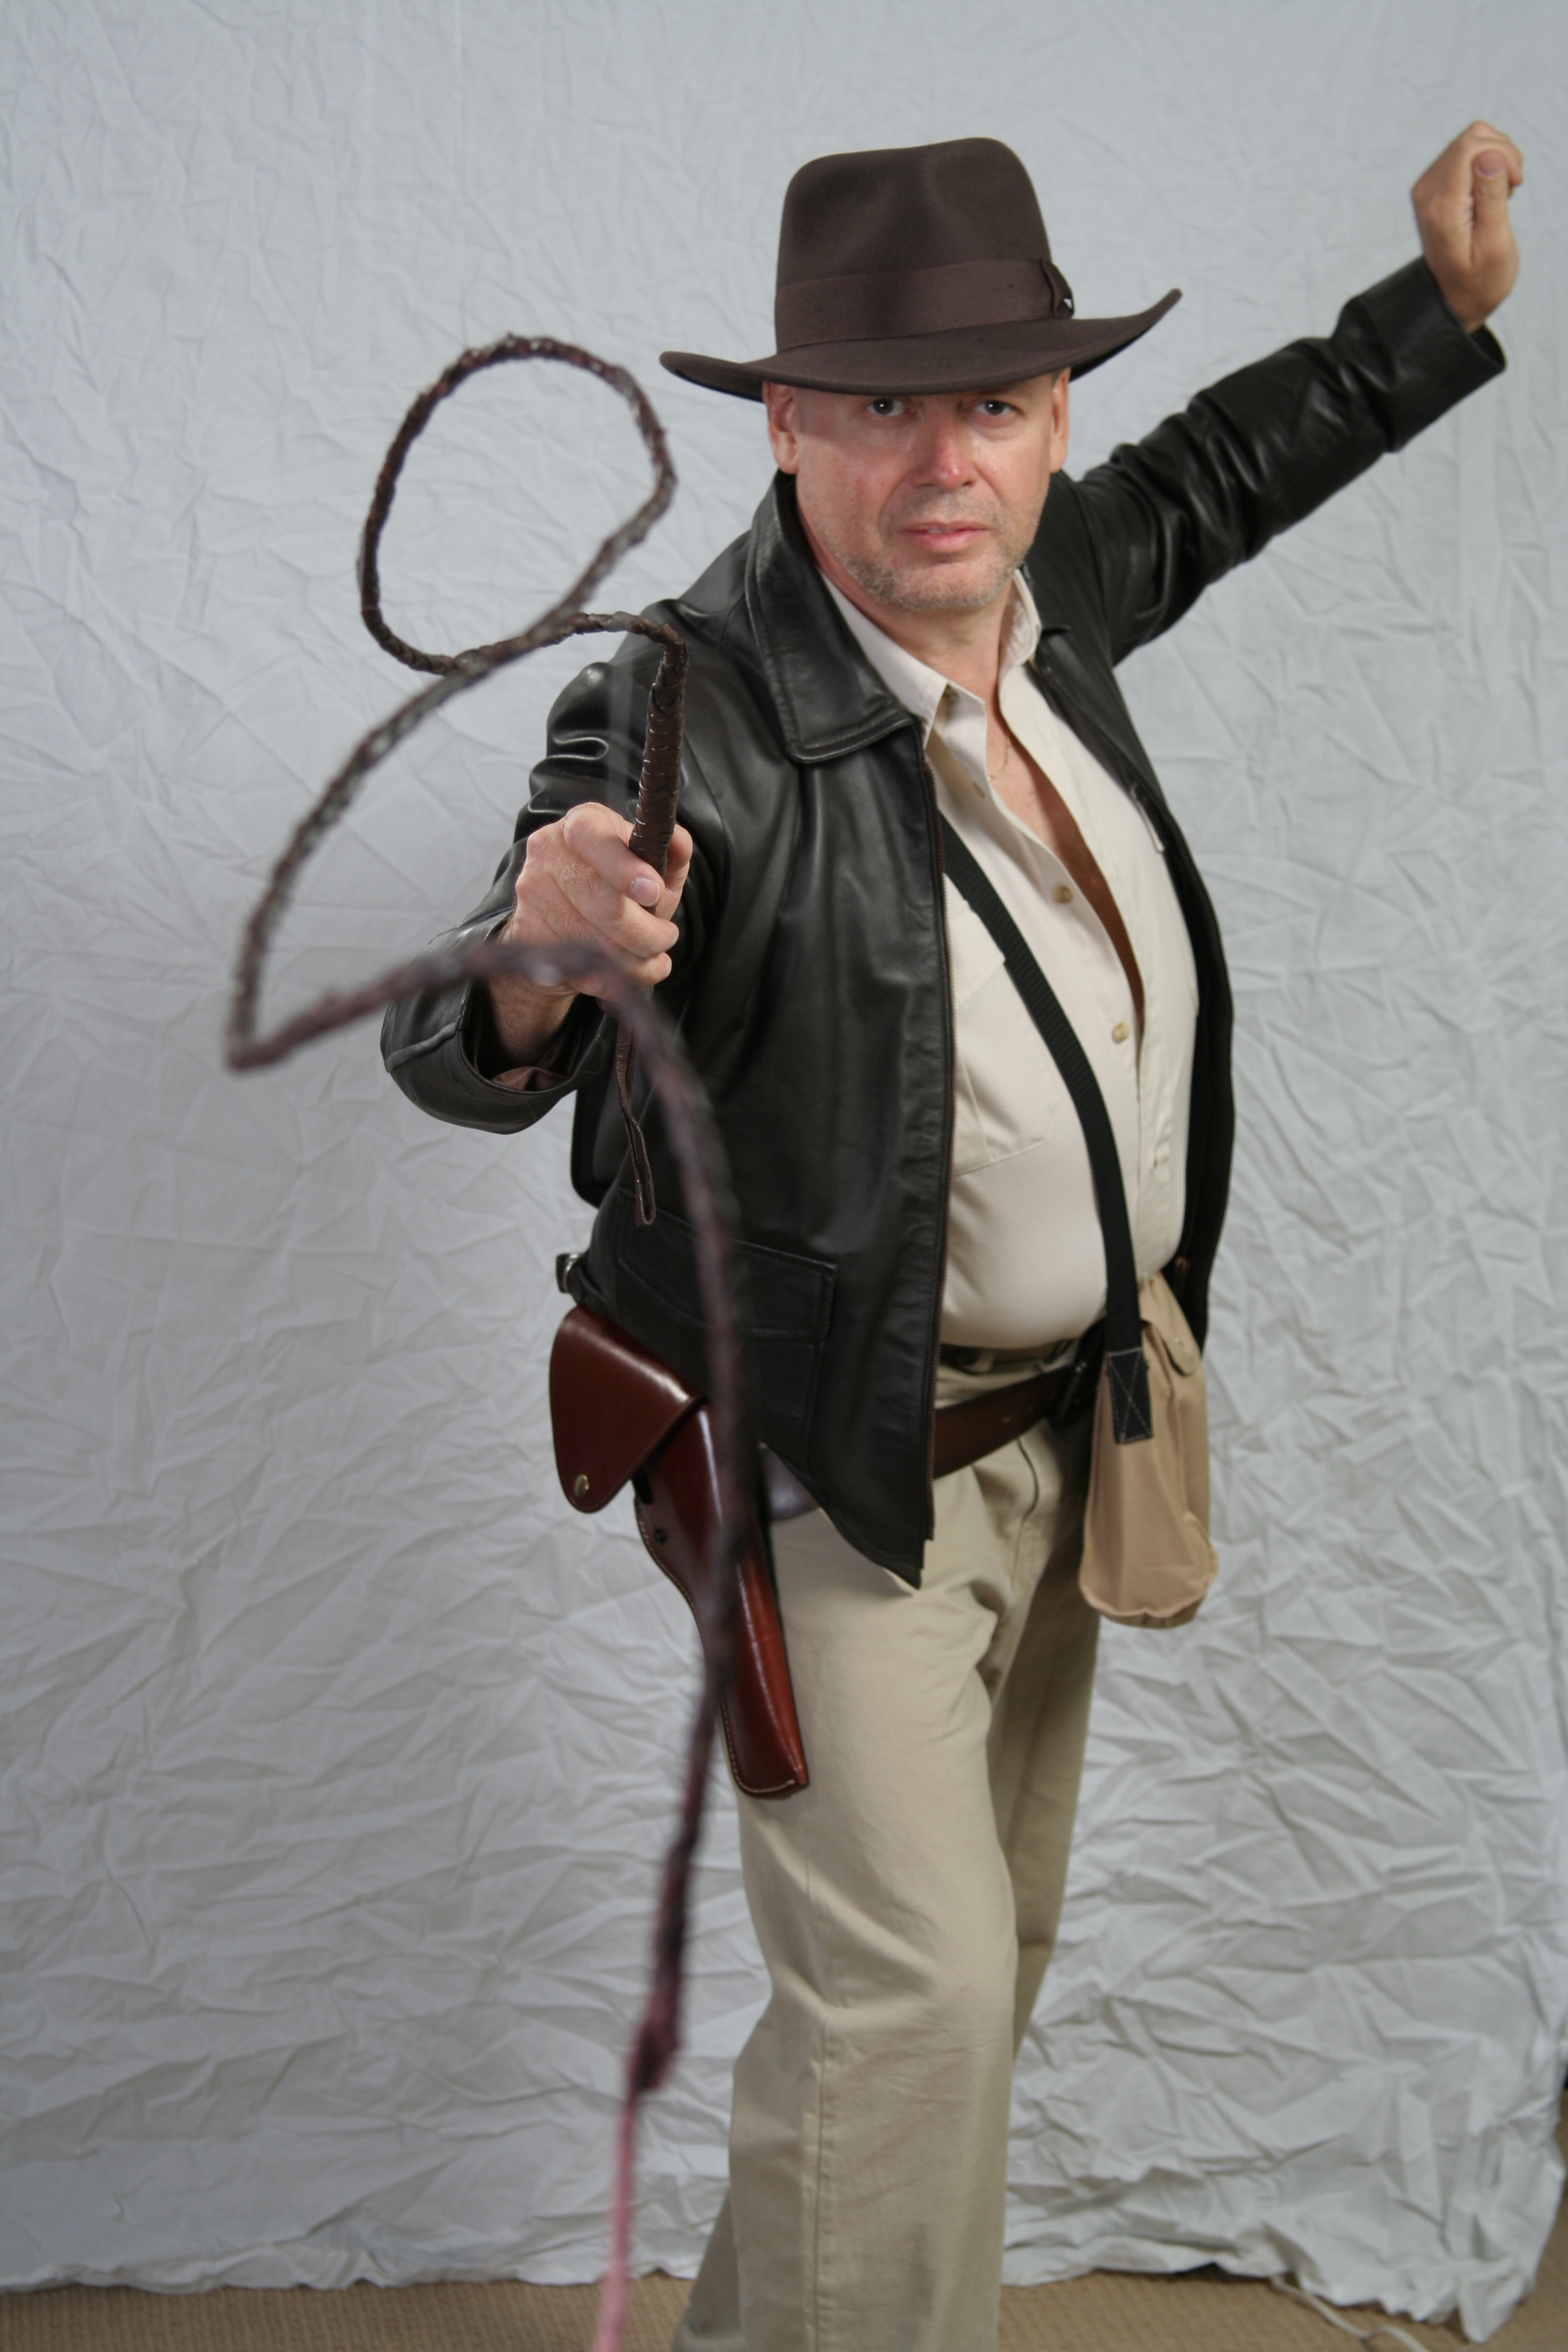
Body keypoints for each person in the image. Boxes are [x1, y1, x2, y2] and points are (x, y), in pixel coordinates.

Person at [382, 123, 1521, 2352]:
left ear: (1053, 415)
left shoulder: (1047, 580)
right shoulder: (683, 705)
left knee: (947, 1988)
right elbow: (463, 1025)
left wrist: (1435, 317)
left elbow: (1226, 475)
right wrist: (535, 952)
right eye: (881, 405)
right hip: (833, 1468)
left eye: (991, 403)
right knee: (913, 2008)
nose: (942, 463)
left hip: (1063, 1432)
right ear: (787, 422)